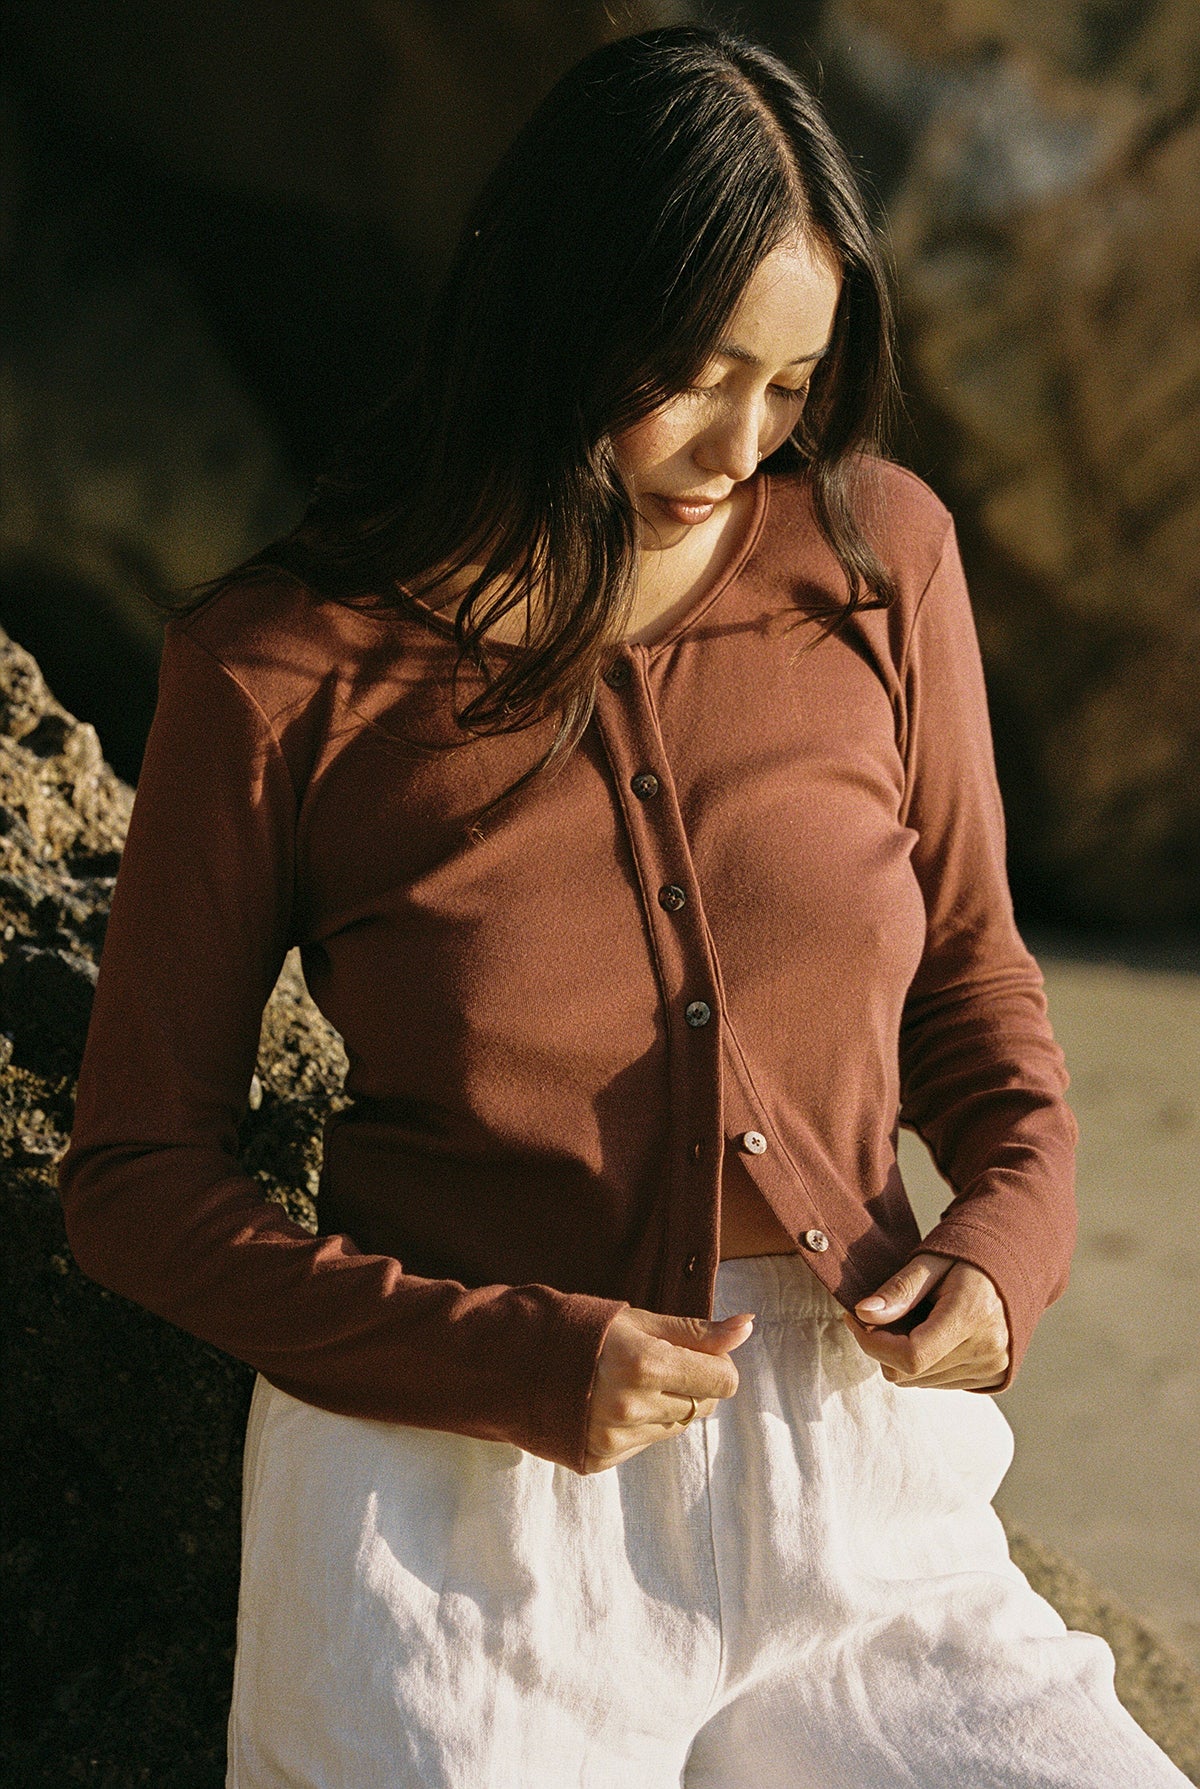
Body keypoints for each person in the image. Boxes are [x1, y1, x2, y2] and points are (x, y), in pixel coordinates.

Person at [57, 24, 1188, 1789]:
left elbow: (976, 983)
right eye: (696, 373)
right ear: (558, 316)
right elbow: (133, 1179)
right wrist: (498, 1355)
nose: (744, 440)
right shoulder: (283, 671)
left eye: (793, 383)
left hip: (861, 1484)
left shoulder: (879, 560)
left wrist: (1007, 1244)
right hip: (453, 1515)